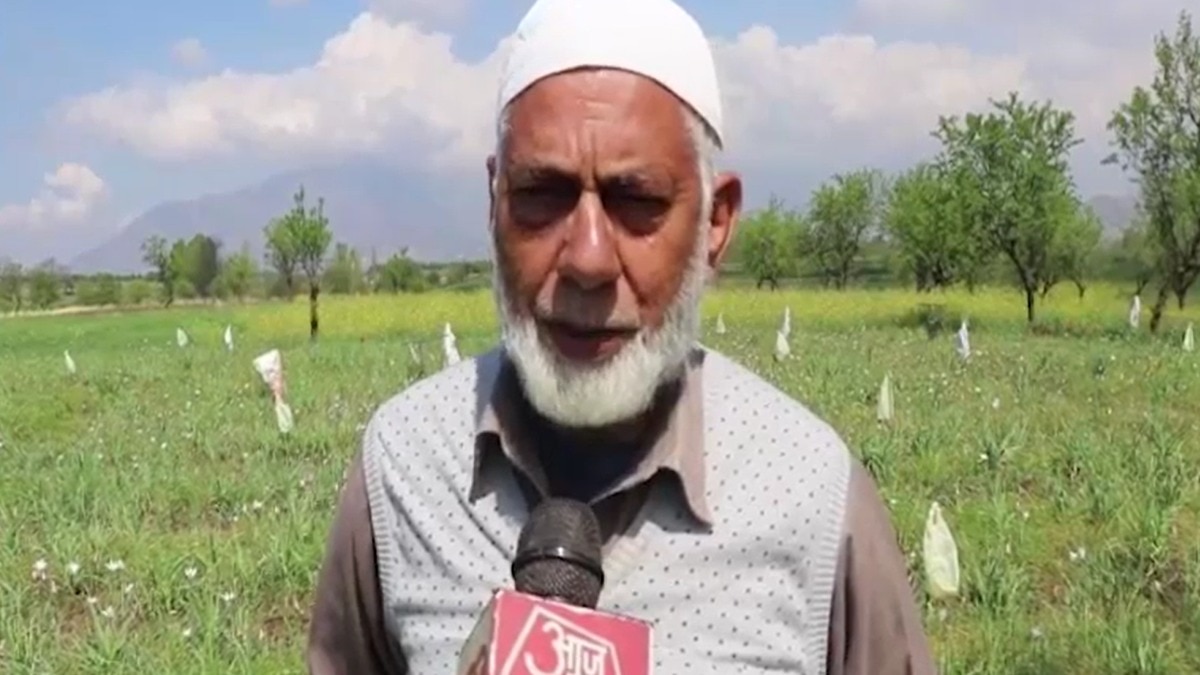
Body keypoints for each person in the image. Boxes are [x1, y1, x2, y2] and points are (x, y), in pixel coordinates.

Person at [307, 0, 936, 672]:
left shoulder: (812, 497)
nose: (588, 260)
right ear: (495, 202)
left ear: (715, 225)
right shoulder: (403, 464)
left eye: (636, 201)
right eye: (543, 194)